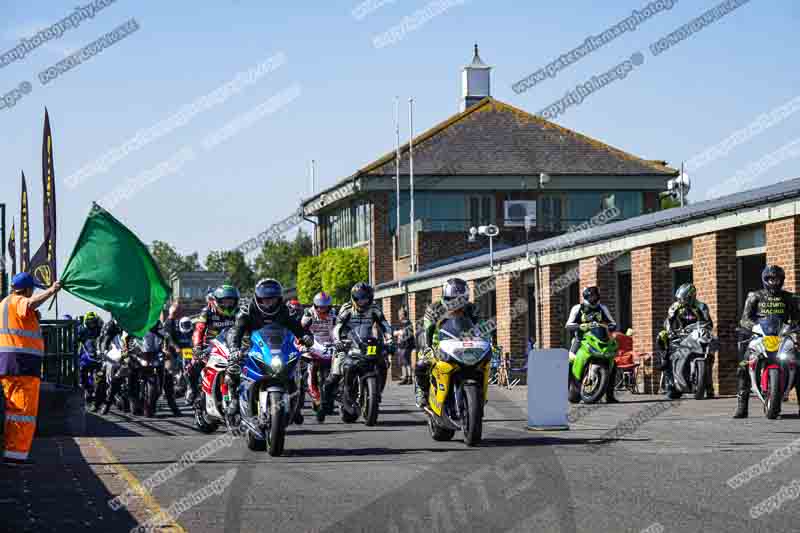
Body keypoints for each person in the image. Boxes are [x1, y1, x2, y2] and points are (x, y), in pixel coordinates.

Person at [226, 279, 312, 417]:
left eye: (272, 300)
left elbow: (297, 328)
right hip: (250, 348)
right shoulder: (246, 310)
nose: (268, 303)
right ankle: (234, 400)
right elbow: (236, 332)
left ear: (279, 299)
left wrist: (306, 337)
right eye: (264, 300)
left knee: (299, 365)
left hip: (277, 349)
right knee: (232, 367)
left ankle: (296, 401)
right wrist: (234, 349)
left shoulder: (285, 311)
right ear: (257, 298)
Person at [0, 273, 61, 462]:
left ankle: (12, 452)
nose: (33, 291)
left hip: (9, 364)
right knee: (23, 412)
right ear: (26, 289)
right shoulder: (19, 300)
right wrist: (52, 290)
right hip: (23, 365)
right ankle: (16, 455)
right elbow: (30, 304)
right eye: (32, 289)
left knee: (13, 410)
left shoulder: (4, 303)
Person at [734, 265, 800, 418]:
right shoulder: (754, 296)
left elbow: (796, 317)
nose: (773, 282)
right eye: (770, 279)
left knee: (798, 364)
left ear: (781, 280)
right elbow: (745, 319)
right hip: (760, 335)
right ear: (764, 279)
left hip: (782, 336)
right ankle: (742, 407)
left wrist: (794, 326)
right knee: (744, 365)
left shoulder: (789, 297)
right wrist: (754, 326)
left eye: (776, 279)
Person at [323, 283, 393, 413]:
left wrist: (390, 341)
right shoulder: (347, 308)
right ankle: (327, 402)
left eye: (365, 298)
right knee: (335, 374)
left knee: (382, 363)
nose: (363, 301)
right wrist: (338, 341)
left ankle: (377, 393)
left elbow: (385, 326)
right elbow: (337, 327)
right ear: (354, 298)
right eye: (359, 298)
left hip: (367, 345)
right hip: (347, 345)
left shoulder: (374, 308)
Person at [415, 278, 479, 408]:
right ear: (445, 298)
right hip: (438, 346)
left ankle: (479, 397)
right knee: (421, 365)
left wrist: (486, 341)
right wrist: (427, 347)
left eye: (460, 299)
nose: (456, 304)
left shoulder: (471, 309)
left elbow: (480, 328)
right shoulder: (434, 309)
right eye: (452, 299)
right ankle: (422, 391)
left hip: (463, 346)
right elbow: (426, 330)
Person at [657, 283, 714, 399]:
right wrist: (670, 330)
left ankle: (708, 387)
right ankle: (670, 382)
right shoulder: (675, 306)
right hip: (680, 334)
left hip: (696, 335)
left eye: (684, 298)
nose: (681, 301)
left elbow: (709, 322)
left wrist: (706, 328)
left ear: (692, 297)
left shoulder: (701, 306)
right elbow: (668, 321)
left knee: (709, 354)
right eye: (680, 298)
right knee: (661, 336)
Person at [565, 286, 619, 403]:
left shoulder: (602, 308)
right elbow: (568, 325)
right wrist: (579, 326)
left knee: (613, 364)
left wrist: (610, 326)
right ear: (586, 296)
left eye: (596, 296)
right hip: (581, 339)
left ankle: (610, 395)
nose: (594, 298)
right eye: (592, 296)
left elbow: (612, 322)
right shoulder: (578, 308)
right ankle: (569, 386)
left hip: (599, 339)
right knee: (571, 358)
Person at [300, 292, 336, 412]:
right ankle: (313, 395)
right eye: (320, 306)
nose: (322, 309)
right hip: (313, 344)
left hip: (330, 344)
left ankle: (333, 396)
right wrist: (303, 341)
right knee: (309, 369)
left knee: (337, 369)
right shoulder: (308, 313)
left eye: (325, 306)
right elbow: (300, 330)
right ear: (315, 306)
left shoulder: (334, 314)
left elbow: (340, 329)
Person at [76, 312, 105, 410]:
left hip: (98, 356)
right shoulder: (81, 329)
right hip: (85, 356)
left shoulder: (99, 328)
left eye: (93, 321)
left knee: (100, 377)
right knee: (82, 374)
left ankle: (98, 398)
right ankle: (87, 388)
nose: (92, 324)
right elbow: (75, 340)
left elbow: (104, 338)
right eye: (90, 322)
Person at [393, 307, 415, 385]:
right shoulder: (399, 324)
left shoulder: (408, 323)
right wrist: (399, 332)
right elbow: (394, 333)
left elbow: (410, 334)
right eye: (399, 314)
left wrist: (402, 333)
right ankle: (404, 377)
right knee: (402, 362)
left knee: (407, 361)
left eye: (400, 314)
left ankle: (410, 377)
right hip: (400, 345)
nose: (399, 316)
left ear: (404, 315)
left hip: (407, 345)